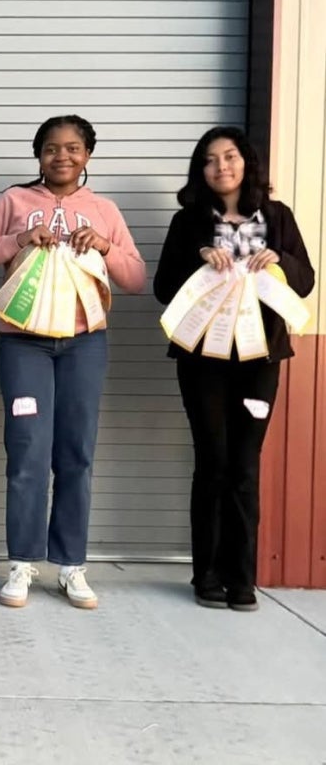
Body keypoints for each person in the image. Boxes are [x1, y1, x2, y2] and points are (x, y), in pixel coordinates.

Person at [0, 114, 145, 610]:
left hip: (85, 344)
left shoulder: (104, 209)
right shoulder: (14, 202)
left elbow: (135, 278)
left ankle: (71, 565)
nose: (62, 156)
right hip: (24, 345)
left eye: (73, 148)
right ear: (38, 155)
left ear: (88, 156)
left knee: (76, 453)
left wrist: (104, 244)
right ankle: (22, 562)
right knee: (27, 451)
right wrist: (18, 239)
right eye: (51, 148)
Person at [153, 126, 313, 611]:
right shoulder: (188, 222)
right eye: (209, 159)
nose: (221, 166)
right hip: (203, 361)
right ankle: (205, 576)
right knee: (213, 461)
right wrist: (200, 258)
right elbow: (163, 288)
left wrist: (279, 259)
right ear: (200, 170)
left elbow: (304, 281)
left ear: (246, 161)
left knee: (244, 464)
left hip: (260, 361)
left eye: (230, 156)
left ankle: (242, 579)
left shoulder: (278, 216)